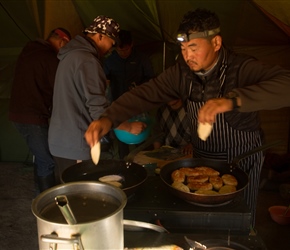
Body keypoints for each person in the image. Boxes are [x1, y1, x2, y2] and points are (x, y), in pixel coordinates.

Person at [84, 8, 290, 227]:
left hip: (238, 163)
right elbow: (145, 93)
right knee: (200, 223)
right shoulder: (182, 73)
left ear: (216, 43)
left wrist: (232, 101)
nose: (187, 56)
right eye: (183, 48)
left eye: (193, 48)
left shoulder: (241, 69)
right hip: (200, 162)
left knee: (236, 223)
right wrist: (109, 118)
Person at [48, 16, 121, 183]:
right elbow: (98, 109)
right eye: (112, 41)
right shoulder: (87, 60)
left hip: (60, 140)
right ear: (100, 36)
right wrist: (126, 126)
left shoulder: (70, 56)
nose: (112, 48)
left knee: (68, 194)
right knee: (79, 198)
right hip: (75, 143)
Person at [9, 28, 71, 193]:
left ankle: (39, 198)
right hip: (32, 117)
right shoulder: (49, 58)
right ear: (61, 42)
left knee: (40, 158)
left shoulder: (29, 51)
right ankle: (46, 206)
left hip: (16, 114)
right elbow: (60, 88)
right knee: (46, 161)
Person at [104, 29, 154, 159]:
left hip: (139, 104)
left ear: (132, 44)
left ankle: (144, 163)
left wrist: (141, 86)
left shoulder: (142, 58)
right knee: (122, 138)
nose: (123, 53)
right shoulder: (110, 60)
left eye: (125, 50)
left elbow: (151, 78)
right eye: (120, 50)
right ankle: (123, 164)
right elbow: (105, 80)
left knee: (141, 134)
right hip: (118, 104)